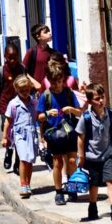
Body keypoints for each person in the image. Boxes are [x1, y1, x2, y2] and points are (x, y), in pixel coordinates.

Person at [76, 82, 112, 222]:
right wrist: (81, 156)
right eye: (96, 98)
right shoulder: (86, 117)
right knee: (93, 184)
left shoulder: (110, 113)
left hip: (107, 153)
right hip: (92, 156)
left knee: (110, 180)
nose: (101, 101)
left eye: (102, 97)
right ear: (89, 101)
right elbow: (80, 138)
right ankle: (92, 208)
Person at [37, 58, 83, 206]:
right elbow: (39, 116)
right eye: (54, 82)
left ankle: (72, 187)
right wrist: (48, 113)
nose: (57, 86)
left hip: (70, 133)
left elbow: (79, 113)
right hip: (54, 134)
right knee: (57, 162)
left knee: (71, 161)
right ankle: (58, 192)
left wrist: (70, 109)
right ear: (49, 80)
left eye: (60, 81)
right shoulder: (46, 95)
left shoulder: (69, 93)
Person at [2, 74, 39, 199]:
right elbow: (7, 122)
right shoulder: (13, 104)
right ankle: (23, 184)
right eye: (22, 90)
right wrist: (4, 137)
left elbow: (38, 118)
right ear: (17, 90)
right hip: (20, 135)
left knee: (30, 160)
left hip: (32, 134)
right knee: (23, 158)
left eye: (27, 90)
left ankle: (28, 183)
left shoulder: (34, 103)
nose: (25, 92)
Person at [0, 43, 27, 174]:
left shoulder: (22, 69)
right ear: (5, 57)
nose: (12, 60)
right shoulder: (1, 71)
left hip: (20, 105)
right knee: (8, 131)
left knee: (18, 133)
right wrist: (2, 107)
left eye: (15, 57)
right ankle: (9, 152)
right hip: (6, 105)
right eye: (9, 57)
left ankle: (18, 162)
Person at [23, 23, 55, 89]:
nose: (49, 33)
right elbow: (23, 71)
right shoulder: (32, 52)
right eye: (46, 32)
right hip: (36, 91)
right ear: (38, 37)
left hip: (50, 89)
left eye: (49, 31)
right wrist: (35, 84)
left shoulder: (53, 53)